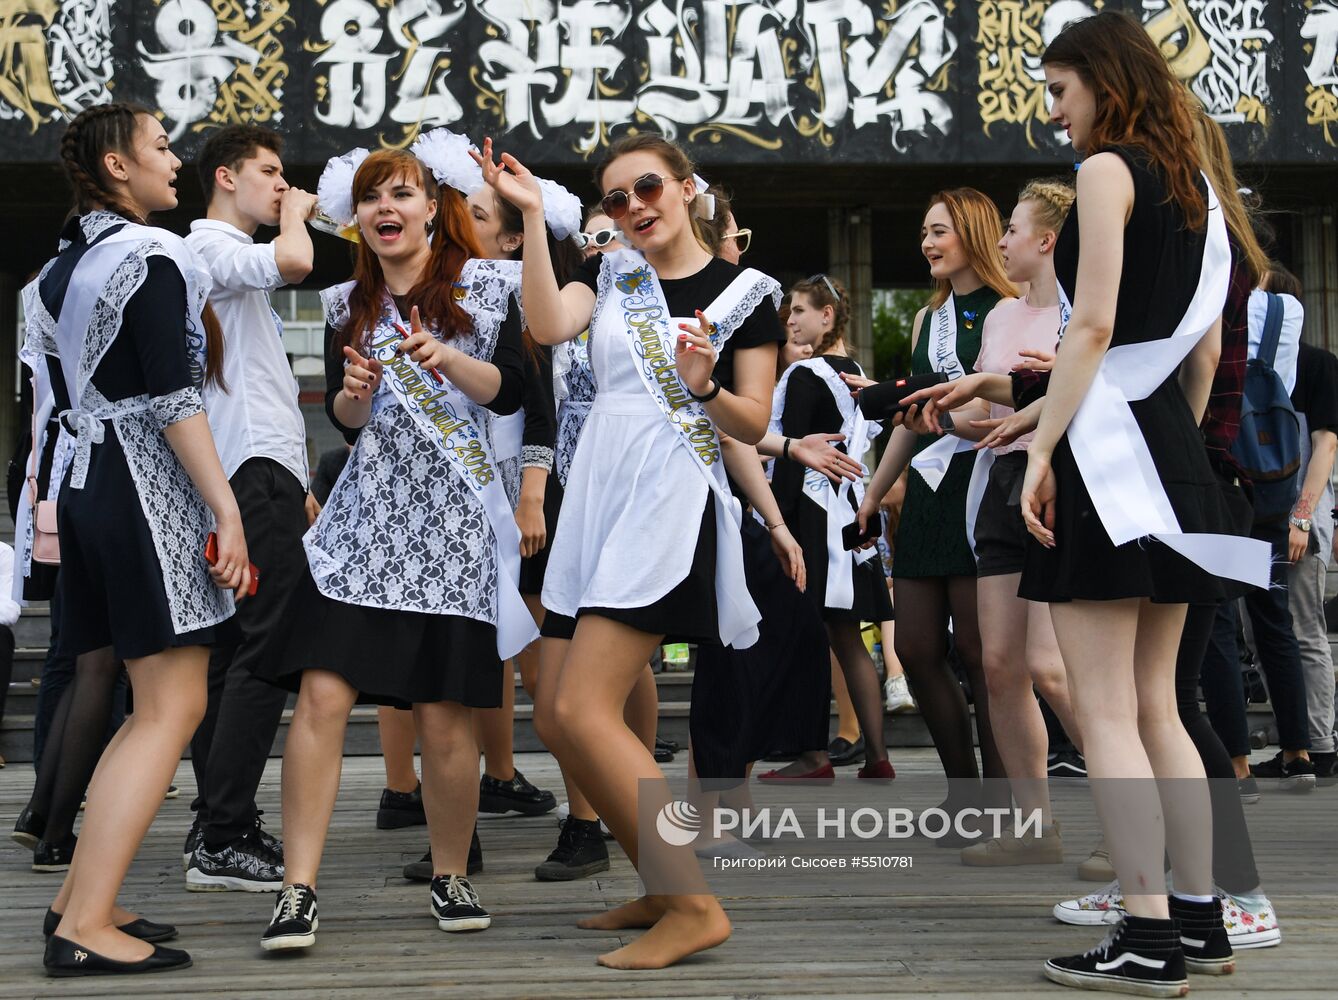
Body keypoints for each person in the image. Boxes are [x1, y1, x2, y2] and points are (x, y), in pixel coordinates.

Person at [474, 131, 782, 968]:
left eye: (647, 187)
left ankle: (693, 905)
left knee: (581, 708)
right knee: (560, 716)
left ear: (686, 187)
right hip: (596, 497)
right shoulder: (612, 275)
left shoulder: (745, 293)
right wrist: (535, 219)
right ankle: (658, 877)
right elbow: (543, 323)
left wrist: (706, 386)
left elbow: (754, 422)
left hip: (668, 498)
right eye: (615, 199)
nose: (634, 207)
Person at [1021, 13, 1263, 993]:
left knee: (1109, 711)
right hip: (1175, 453)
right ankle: (1201, 917)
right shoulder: (1201, 190)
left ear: (1104, 81)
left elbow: (1092, 324)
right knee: (1164, 703)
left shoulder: (1108, 172)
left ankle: (1145, 933)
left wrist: (1042, 450)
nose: (1054, 114)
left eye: (1061, 91)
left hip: (1108, 453)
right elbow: (1200, 355)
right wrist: (1175, 452)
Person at [257, 141, 528, 951]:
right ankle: (297, 890)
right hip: (367, 526)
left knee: (445, 716)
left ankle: (451, 873)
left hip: (453, 529)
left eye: (402, 194)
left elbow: (513, 389)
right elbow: (349, 422)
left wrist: (448, 358)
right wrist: (349, 397)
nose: (386, 210)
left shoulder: (486, 289)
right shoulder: (348, 304)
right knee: (322, 698)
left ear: (432, 206)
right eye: (373, 198)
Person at [23, 101, 250, 976]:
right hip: (138, 482)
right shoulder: (152, 256)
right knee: (171, 704)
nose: (174, 159)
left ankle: (79, 900)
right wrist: (224, 508)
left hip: (84, 483)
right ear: (117, 166)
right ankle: (83, 925)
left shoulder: (61, 266)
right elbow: (175, 399)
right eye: (160, 147)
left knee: (144, 699)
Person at [903, 178, 1081, 865]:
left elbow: (1078, 393)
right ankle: (1033, 829)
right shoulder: (1005, 322)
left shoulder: (1085, 311)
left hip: (1062, 480)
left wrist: (1037, 392)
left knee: (1051, 669)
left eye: (1013, 229)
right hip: (998, 481)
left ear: (1048, 241)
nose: (1002, 240)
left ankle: (1146, 823)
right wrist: (933, 412)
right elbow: (989, 415)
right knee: (1000, 665)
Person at [853, 188, 1016, 841]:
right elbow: (908, 423)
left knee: (985, 655)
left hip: (982, 488)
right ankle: (964, 790)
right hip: (925, 494)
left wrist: (944, 418)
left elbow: (1007, 415)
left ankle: (1004, 801)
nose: (927, 243)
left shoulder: (1008, 312)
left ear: (973, 233)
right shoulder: (925, 321)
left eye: (939, 231)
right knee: (918, 647)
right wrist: (872, 491)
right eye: (924, 232)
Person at [181, 123, 318, 893]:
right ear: (226, 178)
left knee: (238, 653)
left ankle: (218, 823)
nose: (280, 184)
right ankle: (223, 830)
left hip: (259, 471)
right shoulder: (207, 247)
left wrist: (294, 475)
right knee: (266, 649)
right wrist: (296, 215)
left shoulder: (218, 259)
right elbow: (295, 258)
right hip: (245, 474)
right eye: (268, 172)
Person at [759, 274, 894, 783]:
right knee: (847, 636)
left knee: (806, 635)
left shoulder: (804, 375)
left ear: (828, 316)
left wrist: (774, 523)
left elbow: (789, 458)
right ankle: (877, 756)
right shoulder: (854, 372)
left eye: (798, 310)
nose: (789, 320)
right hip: (849, 510)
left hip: (809, 515)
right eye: (789, 311)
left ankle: (813, 756)